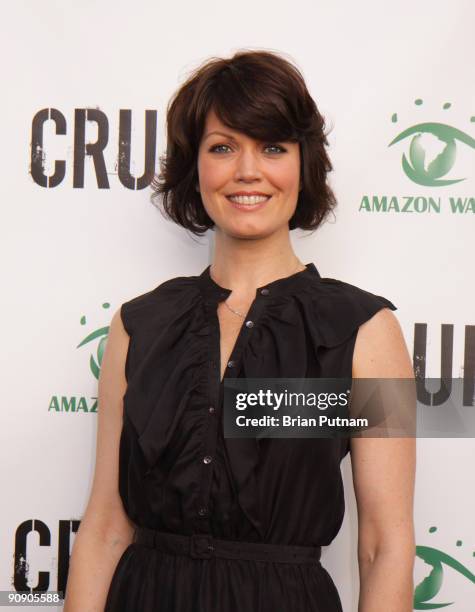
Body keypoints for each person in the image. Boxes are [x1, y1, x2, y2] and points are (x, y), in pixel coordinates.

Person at [64, 49, 416, 611]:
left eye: (273, 147)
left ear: (304, 165)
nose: (247, 171)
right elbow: (106, 526)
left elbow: (385, 544)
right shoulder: (138, 326)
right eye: (223, 147)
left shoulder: (368, 331)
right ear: (195, 167)